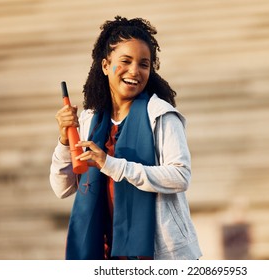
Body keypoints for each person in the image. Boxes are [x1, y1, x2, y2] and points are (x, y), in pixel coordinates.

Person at [50, 16, 202, 260]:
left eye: (144, 64)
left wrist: (111, 164)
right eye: (125, 61)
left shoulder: (161, 116)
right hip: (104, 254)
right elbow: (63, 188)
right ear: (104, 66)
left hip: (159, 256)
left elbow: (180, 176)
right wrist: (64, 141)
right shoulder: (90, 120)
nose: (135, 71)